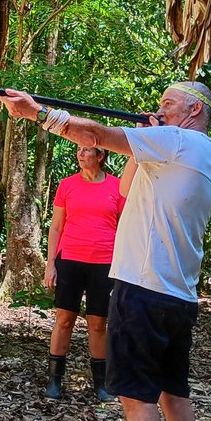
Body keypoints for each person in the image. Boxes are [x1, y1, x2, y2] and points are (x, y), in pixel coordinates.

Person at [0, 81, 211, 421]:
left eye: (167, 103)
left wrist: (41, 114)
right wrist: (141, 146)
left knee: (137, 398)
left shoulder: (178, 140)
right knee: (173, 395)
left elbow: (98, 135)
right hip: (178, 295)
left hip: (142, 290)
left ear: (193, 110)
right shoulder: (205, 157)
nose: (158, 109)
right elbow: (125, 185)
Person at [44, 145, 125, 402]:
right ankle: (54, 381)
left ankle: (100, 384)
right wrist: (50, 264)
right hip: (69, 259)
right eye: (78, 149)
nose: (80, 154)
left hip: (105, 263)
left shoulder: (118, 186)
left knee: (98, 323)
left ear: (101, 156)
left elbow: (125, 228)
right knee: (64, 319)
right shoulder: (67, 185)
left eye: (87, 150)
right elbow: (56, 227)